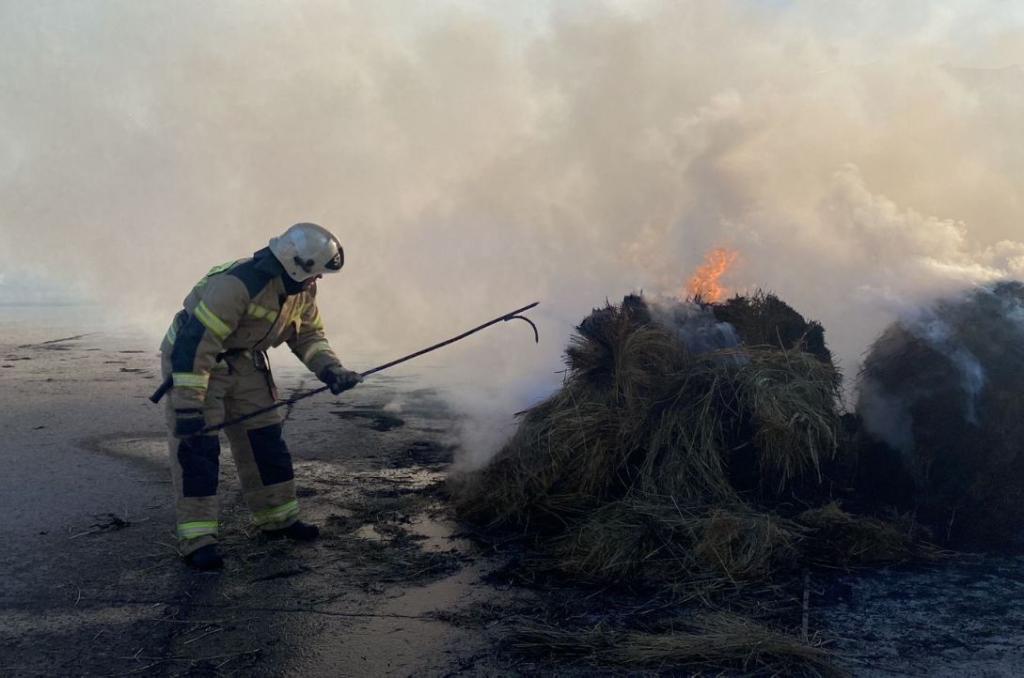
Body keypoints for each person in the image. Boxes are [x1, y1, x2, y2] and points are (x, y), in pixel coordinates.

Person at [158, 223, 362, 570]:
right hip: (196, 361)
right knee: (198, 449)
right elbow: (197, 346)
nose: (319, 281)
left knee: (265, 439)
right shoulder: (237, 285)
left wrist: (332, 370)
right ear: (297, 266)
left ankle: (278, 519)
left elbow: (308, 336)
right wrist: (189, 406)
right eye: (316, 273)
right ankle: (198, 541)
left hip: (245, 360)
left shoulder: (301, 291)